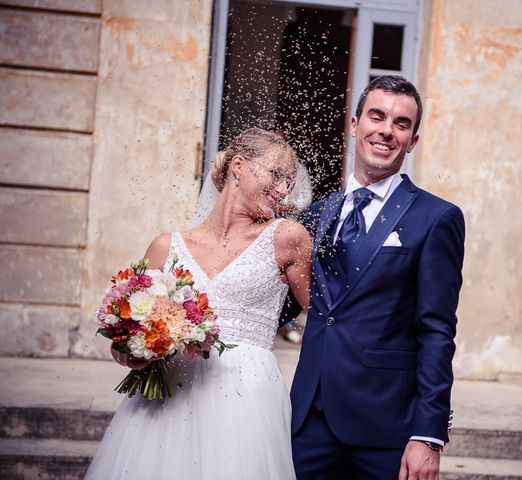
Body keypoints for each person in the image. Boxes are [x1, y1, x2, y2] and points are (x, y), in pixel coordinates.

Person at [85, 128, 312, 479]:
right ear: (238, 166)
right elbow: (123, 344)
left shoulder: (287, 238)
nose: (284, 190)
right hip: (168, 398)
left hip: (246, 399)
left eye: (289, 182)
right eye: (276, 175)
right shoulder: (166, 246)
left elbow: (325, 315)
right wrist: (134, 351)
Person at [290, 76, 465, 480]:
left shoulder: (436, 218)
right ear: (354, 125)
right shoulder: (316, 213)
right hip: (307, 421)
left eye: (401, 123)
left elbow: (437, 332)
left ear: (413, 140)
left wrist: (428, 434)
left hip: (386, 428)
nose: (387, 130)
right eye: (377, 116)